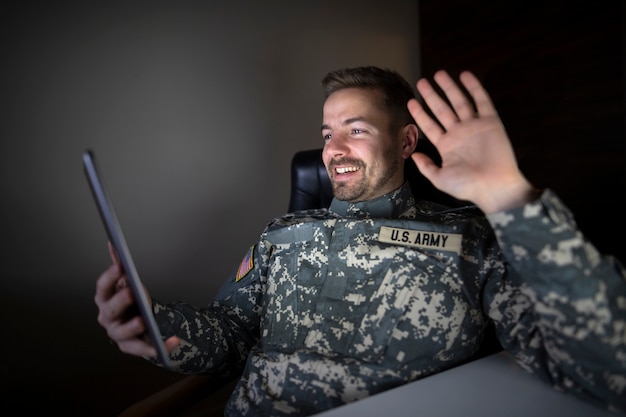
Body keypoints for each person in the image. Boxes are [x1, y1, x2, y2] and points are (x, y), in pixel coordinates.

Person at [95, 66, 626, 416]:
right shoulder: (282, 235)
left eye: (357, 129)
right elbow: (229, 337)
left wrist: (512, 198)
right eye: (327, 133)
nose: (334, 148)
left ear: (406, 140)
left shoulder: (470, 239)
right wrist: (159, 326)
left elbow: (605, 368)